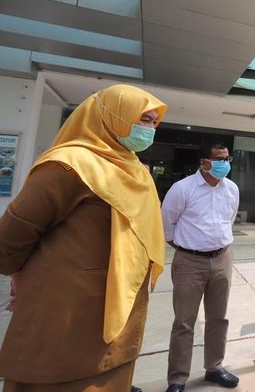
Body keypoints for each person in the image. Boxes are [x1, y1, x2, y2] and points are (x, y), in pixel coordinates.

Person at [0, 84, 167, 391]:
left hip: (121, 301)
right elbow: (14, 232)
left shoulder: (136, 169)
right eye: (144, 119)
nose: (150, 129)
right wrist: (21, 273)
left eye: (154, 122)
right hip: (67, 308)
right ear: (113, 114)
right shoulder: (69, 165)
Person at [162, 143, 240, 391]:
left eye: (227, 158)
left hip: (222, 259)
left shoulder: (231, 189)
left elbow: (230, 219)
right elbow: (167, 225)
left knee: (218, 318)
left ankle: (214, 367)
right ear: (203, 162)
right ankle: (177, 378)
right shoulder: (182, 189)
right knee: (184, 322)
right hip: (189, 261)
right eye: (218, 159)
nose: (224, 164)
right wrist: (189, 248)